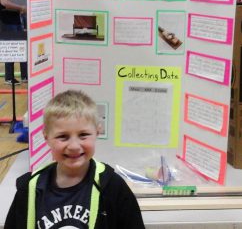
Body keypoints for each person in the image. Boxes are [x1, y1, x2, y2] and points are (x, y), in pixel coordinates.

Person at [4, 89, 145, 229]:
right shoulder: (29, 189)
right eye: (63, 137)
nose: (74, 146)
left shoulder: (113, 187)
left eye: (83, 135)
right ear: (46, 137)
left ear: (97, 132)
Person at [0, 0, 27, 85]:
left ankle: (25, 76)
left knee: (22, 48)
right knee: (11, 49)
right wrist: (20, 7)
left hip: (16, 23)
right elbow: (4, 2)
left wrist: (21, 9)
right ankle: (9, 77)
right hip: (7, 23)